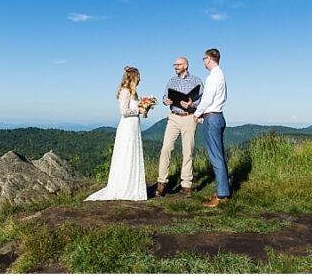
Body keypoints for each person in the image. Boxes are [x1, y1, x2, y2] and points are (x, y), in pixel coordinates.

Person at [87, 66, 150, 201]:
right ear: (133, 77)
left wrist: (145, 107)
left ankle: (133, 186)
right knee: (126, 154)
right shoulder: (125, 92)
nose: (140, 79)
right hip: (127, 127)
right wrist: (139, 111)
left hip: (134, 127)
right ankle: (124, 187)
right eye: (138, 76)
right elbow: (124, 111)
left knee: (133, 153)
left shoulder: (134, 93)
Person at [155, 57, 202, 198]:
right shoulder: (171, 81)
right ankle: (162, 182)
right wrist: (166, 100)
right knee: (166, 148)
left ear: (186, 65)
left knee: (187, 151)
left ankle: (186, 184)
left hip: (189, 117)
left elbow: (201, 100)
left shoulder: (196, 80)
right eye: (174, 64)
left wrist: (192, 104)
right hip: (174, 117)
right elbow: (164, 96)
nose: (176, 66)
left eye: (179, 64)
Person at [193, 48, 230, 207]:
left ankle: (222, 196)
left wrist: (197, 113)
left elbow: (207, 98)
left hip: (212, 117)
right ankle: (222, 191)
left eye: (204, 58)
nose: (203, 61)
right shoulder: (221, 75)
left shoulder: (213, 77)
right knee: (219, 156)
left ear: (208, 58)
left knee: (216, 157)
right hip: (218, 116)